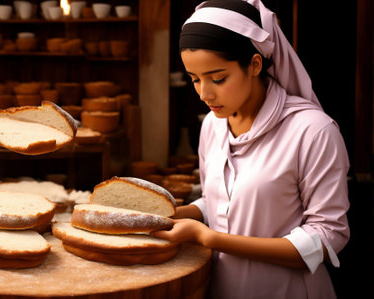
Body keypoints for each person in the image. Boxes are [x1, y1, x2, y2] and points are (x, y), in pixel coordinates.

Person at [150, 0, 350, 298]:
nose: (205, 93)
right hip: (221, 287)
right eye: (195, 79)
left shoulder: (312, 131)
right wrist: (174, 215)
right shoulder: (212, 126)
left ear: (255, 64)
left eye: (218, 78)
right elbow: (219, 202)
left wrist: (208, 238)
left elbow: (327, 237)